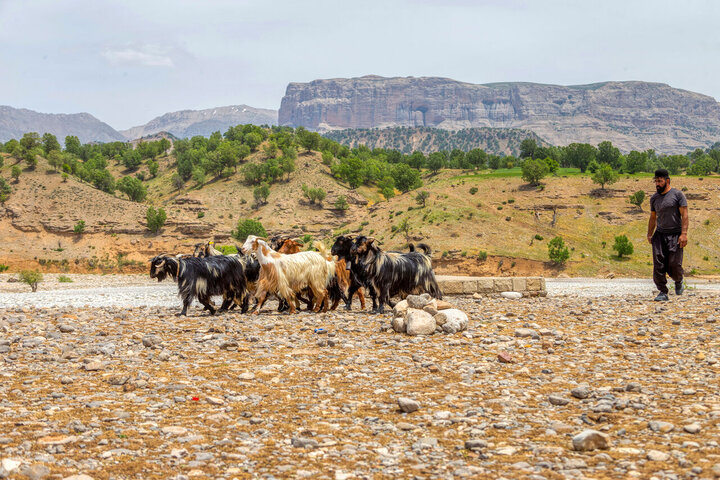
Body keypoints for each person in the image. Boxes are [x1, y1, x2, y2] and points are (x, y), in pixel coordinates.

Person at [647, 168, 688, 301]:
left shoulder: (677, 195)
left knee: (674, 264)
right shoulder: (654, 198)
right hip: (659, 235)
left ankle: (678, 280)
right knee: (658, 264)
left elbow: (685, 215)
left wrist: (684, 234)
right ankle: (663, 292)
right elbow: (653, 217)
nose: (657, 184)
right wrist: (649, 234)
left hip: (675, 234)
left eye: (660, 181)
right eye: (656, 181)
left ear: (667, 180)